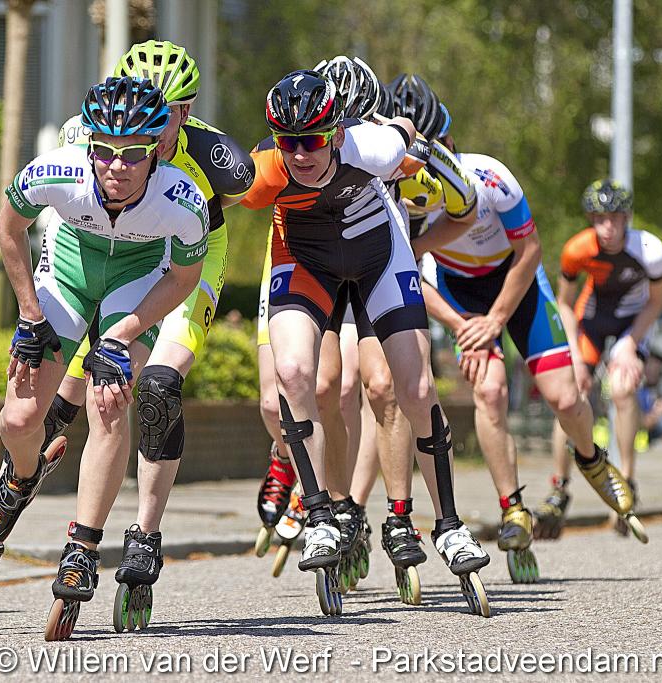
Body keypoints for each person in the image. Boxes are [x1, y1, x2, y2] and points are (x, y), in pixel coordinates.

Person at [0, 77, 208, 641]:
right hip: (68, 272)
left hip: (137, 280)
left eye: (133, 153)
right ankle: (21, 480)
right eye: (105, 151)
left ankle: (83, 547)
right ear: (89, 144)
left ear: (156, 149)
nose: (117, 166)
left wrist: (124, 335)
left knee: (109, 400)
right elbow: (9, 226)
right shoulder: (57, 171)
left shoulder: (181, 199)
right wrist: (28, 314)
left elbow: (185, 278)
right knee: (19, 420)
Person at [242, 69, 489, 615]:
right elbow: (209, 194)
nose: (300, 154)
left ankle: (449, 525)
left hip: (378, 258)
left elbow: (409, 134)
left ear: (336, 132)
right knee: (294, 375)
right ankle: (320, 516)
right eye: (288, 141)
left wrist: (415, 147)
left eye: (312, 141)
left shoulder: (373, 147)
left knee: (414, 387)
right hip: (306, 262)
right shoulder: (265, 170)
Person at [43, 41, 254, 629]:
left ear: (188, 112)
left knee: (158, 385)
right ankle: (14, 508)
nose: (155, 126)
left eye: (171, 112)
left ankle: (145, 533)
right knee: (78, 390)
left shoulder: (218, 159)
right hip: (134, 259)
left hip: (193, 258)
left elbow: (241, 197)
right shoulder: (97, 139)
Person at [412, 94, 627, 578]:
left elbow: (530, 251)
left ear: (449, 143)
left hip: (518, 282)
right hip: (460, 294)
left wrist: (496, 318)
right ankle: (513, 509)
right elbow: (408, 275)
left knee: (564, 397)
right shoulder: (406, 198)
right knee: (489, 392)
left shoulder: (491, 177)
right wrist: (461, 325)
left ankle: (591, 459)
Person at [536, 179, 662, 540]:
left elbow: (656, 302)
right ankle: (559, 488)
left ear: (627, 218)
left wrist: (630, 344)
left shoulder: (650, 250)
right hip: (591, 320)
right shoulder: (577, 249)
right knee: (569, 394)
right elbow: (564, 304)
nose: (607, 227)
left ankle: (627, 482)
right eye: (599, 219)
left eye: (614, 219)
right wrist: (576, 356)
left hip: (632, 321)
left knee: (622, 388)